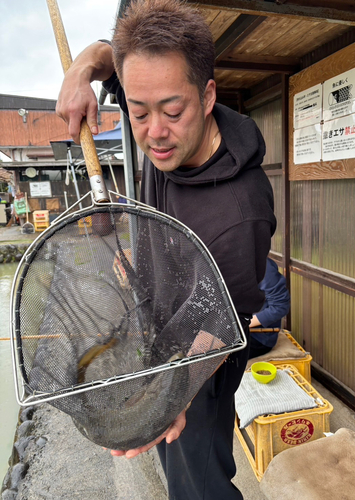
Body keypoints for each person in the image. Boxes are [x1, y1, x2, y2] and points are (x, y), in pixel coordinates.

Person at [56, 1, 276, 498]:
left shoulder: (240, 216)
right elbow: (109, 57)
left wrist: (174, 393)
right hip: (159, 329)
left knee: (199, 480)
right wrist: (80, 70)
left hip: (204, 352)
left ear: (207, 95)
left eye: (172, 111)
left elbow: (221, 324)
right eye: (138, 112)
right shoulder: (158, 108)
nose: (154, 132)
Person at [249, 257, 291, 359]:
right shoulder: (228, 261)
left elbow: (280, 306)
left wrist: (242, 324)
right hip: (234, 329)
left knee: (213, 357)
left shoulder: (263, 265)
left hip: (257, 338)